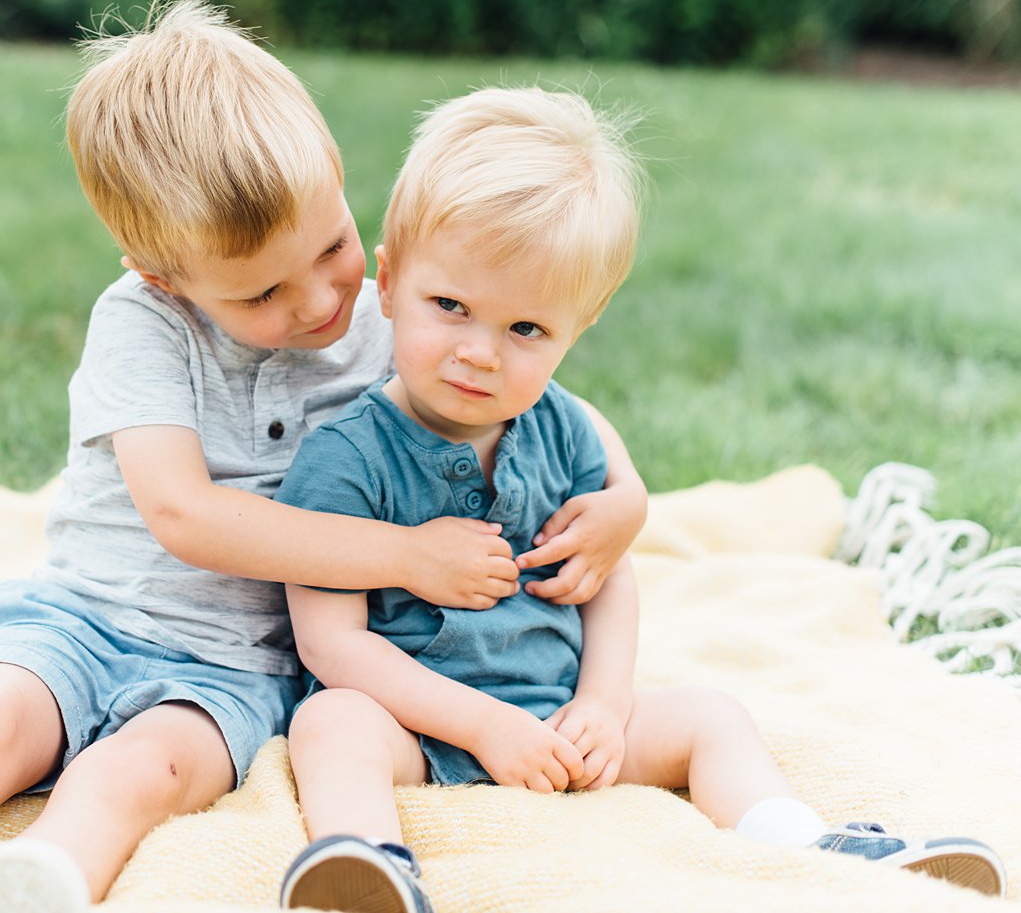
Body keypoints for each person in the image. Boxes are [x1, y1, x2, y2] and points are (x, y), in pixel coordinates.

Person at [0, 0, 649, 913]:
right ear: (160, 272)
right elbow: (184, 514)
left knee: (140, 770)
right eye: (260, 293)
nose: (320, 302)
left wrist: (630, 502)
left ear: (335, 176)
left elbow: (553, 404)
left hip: (233, 671)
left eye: (330, 248)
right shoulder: (141, 329)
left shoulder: (389, 315)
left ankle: (41, 876)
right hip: (88, 616)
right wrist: (406, 557)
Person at [274, 86, 1008, 913]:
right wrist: (481, 726)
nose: (479, 353)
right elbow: (333, 644)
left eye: (527, 330)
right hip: (421, 724)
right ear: (389, 282)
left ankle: (804, 843)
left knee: (711, 714)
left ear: (577, 328)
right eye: (451, 307)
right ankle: (370, 869)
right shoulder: (347, 458)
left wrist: (603, 705)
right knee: (331, 723)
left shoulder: (564, 433)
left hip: (562, 721)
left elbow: (610, 574)